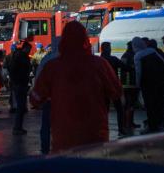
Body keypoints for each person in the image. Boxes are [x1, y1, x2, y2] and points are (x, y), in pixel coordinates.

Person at [29, 24, 122, 152]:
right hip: (95, 138)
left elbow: (35, 98)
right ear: (86, 40)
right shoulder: (100, 65)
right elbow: (117, 92)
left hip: (64, 141)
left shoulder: (52, 67)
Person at [135, 38, 164, 132]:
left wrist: (137, 85)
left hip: (147, 85)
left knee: (150, 106)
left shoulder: (138, 56)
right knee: (159, 104)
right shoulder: (154, 52)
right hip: (160, 83)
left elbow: (138, 72)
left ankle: (152, 126)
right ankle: (160, 124)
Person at [99, 42, 131, 137]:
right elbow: (125, 68)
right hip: (114, 87)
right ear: (108, 49)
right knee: (119, 109)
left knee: (104, 110)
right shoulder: (113, 59)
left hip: (102, 88)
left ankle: (103, 130)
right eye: (110, 48)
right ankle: (121, 129)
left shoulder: (99, 60)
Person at [34, 43, 60, 154]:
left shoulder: (47, 59)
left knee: (46, 126)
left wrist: (37, 100)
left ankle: (45, 149)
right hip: (65, 100)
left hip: (49, 99)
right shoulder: (72, 59)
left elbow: (39, 77)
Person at [5, 39, 33, 136]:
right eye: (29, 49)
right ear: (25, 48)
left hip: (19, 83)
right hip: (20, 84)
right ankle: (17, 128)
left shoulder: (18, 56)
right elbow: (18, 70)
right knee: (20, 107)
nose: (30, 51)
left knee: (21, 107)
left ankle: (18, 127)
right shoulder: (21, 57)